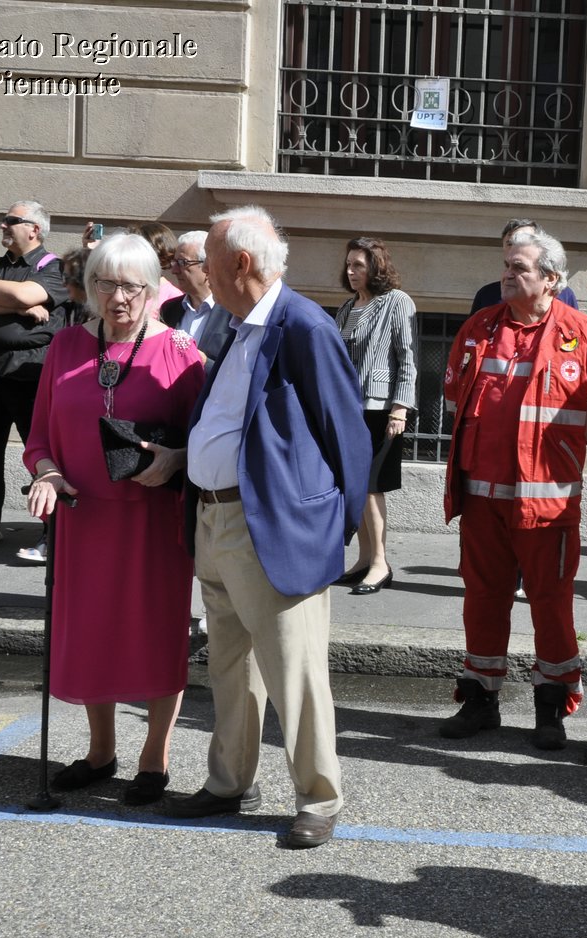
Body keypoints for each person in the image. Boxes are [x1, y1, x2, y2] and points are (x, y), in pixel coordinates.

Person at [168, 206, 369, 849]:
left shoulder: (304, 325)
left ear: (239, 265)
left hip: (275, 527)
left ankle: (319, 797)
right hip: (214, 516)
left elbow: (348, 436)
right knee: (229, 665)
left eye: (205, 262)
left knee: (295, 671)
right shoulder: (232, 325)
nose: (196, 274)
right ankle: (230, 782)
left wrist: (330, 528)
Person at [22, 233, 205, 806]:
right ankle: (102, 751)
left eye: (131, 285)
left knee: (155, 633)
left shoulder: (181, 352)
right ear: (90, 286)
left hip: (153, 524)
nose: (118, 296)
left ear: (153, 290)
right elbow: (38, 439)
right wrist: (47, 473)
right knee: (92, 634)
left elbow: (206, 442)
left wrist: (175, 458)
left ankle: (155, 756)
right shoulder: (66, 347)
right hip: (84, 518)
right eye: (106, 283)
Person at [437, 229, 587, 751]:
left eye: (520, 268)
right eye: (506, 266)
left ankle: (551, 706)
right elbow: (451, 395)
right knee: (482, 601)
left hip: (548, 502)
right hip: (483, 499)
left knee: (550, 605)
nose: (508, 274)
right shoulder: (479, 327)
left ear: (551, 279)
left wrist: (569, 447)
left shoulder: (585, 332)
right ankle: (481, 699)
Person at [0, 200, 69, 561]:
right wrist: (16, 307)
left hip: (31, 374)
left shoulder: (55, 269)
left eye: (11, 221)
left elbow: (24, 292)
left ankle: (51, 532)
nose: (3, 226)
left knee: (41, 457)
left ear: (34, 228)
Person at [334, 236, 418, 595]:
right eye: (348, 265)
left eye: (359, 265)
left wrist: (401, 407)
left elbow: (409, 358)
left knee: (371, 487)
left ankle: (381, 562)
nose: (351, 271)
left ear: (376, 267)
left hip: (381, 409)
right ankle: (365, 558)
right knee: (356, 488)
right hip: (349, 408)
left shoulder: (396, 302)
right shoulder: (346, 307)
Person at [469, 219, 579, 314]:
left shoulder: (566, 296)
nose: (517, 247)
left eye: (525, 240)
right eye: (510, 243)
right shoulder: (486, 300)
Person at [159, 230, 233, 361]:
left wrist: (202, 362)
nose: (174, 270)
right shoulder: (169, 309)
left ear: (207, 266)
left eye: (183, 263)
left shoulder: (232, 313)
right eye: (174, 262)